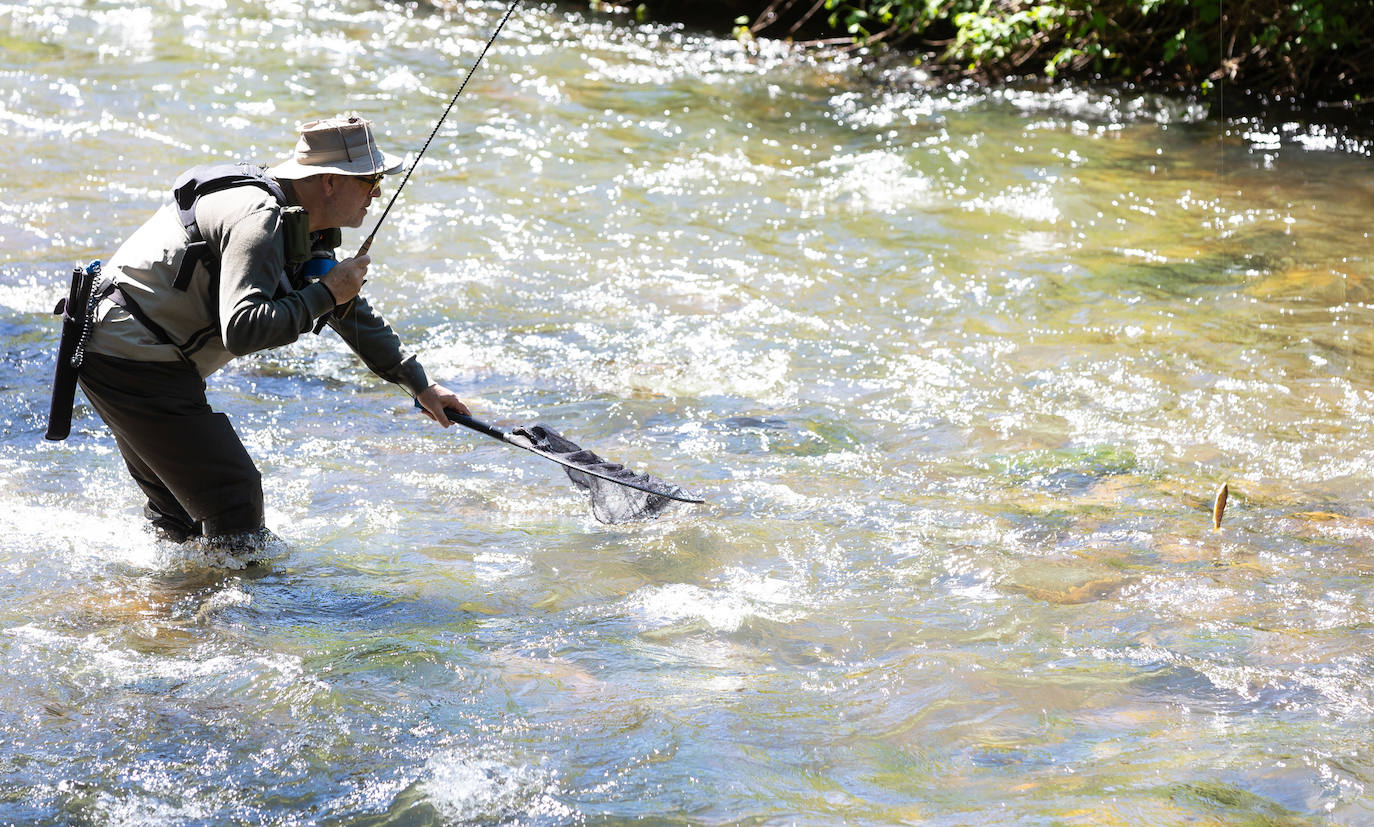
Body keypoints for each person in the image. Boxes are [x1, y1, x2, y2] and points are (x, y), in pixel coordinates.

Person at [76, 115, 470, 546]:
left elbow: (349, 312)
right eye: (370, 180)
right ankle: (233, 609)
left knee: (185, 515)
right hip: (128, 353)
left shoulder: (304, 225)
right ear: (328, 182)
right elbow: (243, 329)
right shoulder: (260, 218)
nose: (377, 193)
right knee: (233, 497)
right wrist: (326, 294)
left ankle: (172, 601)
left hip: (132, 351)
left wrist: (419, 384)